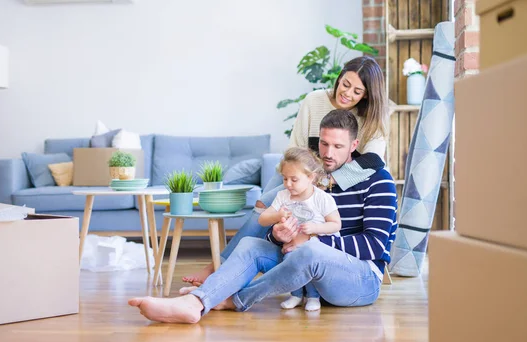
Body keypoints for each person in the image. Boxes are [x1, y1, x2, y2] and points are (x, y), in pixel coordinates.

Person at [128, 109, 398, 324]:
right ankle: (197, 302)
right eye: (324, 144)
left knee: (311, 251)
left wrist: (311, 240)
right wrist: (279, 235)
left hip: (360, 279)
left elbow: (374, 245)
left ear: (354, 145)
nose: (328, 153)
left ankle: (231, 300)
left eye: (338, 146)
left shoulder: (377, 180)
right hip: (308, 269)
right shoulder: (312, 177)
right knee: (251, 245)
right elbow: (288, 229)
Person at [182, 56, 389, 285]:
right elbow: (296, 147)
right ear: (339, 79)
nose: (347, 93)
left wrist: (325, 181)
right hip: (303, 172)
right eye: (345, 84)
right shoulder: (314, 101)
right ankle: (223, 267)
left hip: (341, 182)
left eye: (357, 91)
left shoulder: (372, 116)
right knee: (263, 205)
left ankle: (221, 269)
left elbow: (373, 161)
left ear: (367, 95)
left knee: (269, 205)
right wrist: (307, 178)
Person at [258, 147, 341, 312]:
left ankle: (313, 296)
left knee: (308, 263)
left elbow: (336, 224)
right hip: (291, 247)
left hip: (315, 248)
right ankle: (296, 295)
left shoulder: (322, 198)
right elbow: (262, 219)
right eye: (284, 179)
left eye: (294, 180)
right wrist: (277, 215)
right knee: (292, 263)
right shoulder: (283, 197)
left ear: (310, 177)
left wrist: (315, 228)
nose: (288, 184)